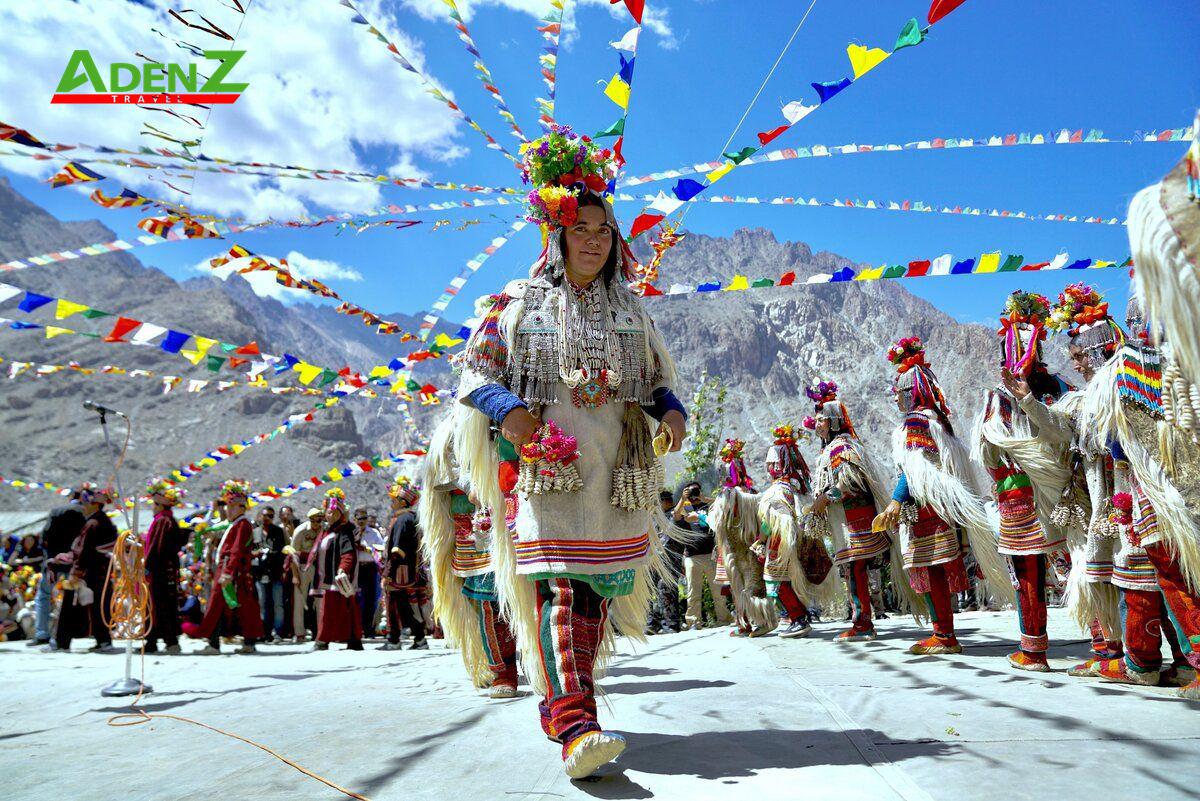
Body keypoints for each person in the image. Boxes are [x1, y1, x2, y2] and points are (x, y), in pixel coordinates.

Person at [453, 125, 686, 778]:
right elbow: (476, 375)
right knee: (560, 594)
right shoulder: (519, 304)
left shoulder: (631, 313)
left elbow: (654, 382)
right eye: (580, 227)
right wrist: (513, 411)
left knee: (594, 604)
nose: (592, 239)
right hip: (547, 472)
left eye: (602, 230)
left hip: (614, 480)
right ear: (556, 235)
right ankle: (577, 726)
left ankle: (563, 703)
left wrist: (671, 413)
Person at [876, 337, 1015, 656]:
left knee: (929, 568)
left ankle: (944, 635)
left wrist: (897, 500)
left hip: (926, 508)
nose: (896, 399)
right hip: (939, 506)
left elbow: (915, 467)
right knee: (933, 567)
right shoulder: (938, 421)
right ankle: (944, 632)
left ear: (909, 392)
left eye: (898, 392)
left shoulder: (915, 422)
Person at [973, 291, 1076, 672]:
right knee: (1076, 562)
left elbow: (987, 453)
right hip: (1061, 491)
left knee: (1028, 569)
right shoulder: (1062, 387)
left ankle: (1033, 651)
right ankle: (1106, 646)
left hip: (1018, 492)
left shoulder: (1001, 397)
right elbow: (1068, 438)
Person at [805, 380, 911, 642]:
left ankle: (862, 623)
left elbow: (849, 483)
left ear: (833, 421)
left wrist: (824, 500)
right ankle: (862, 620)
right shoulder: (836, 447)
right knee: (854, 569)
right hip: (849, 520)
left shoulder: (842, 447)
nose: (816, 425)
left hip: (855, 520)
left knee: (855, 569)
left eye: (821, 420)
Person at [754, 424, 833, 639]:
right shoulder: (799, 487)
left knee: (776, 581)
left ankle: (798, 618)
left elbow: (771, 522)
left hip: (781, 543)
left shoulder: (776, 491)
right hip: (799, 540)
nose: (768, 467)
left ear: (776, 465)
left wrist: (761, 540)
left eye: (770, 463)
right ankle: (801, 616)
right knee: (787, 582)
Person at [708, 438, 777, 636]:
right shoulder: (747, 497)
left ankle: (765, 620)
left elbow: (716, 521)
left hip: (747, 550)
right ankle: (744, 623)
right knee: (740, 588)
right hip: (736, 551)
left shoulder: (737, 497)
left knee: (751, 586)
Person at [196, 480, 263, 655]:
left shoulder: (243, 524)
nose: (228, 509)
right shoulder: (236, 524)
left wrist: (227, 572)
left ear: (242, 508)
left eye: (232, 506)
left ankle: (216, 644)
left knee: (219, 605)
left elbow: (236, 550)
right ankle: (240, 642)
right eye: (228, 505)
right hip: (229, 570)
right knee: (230, 606)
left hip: (231, 570)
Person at [52, 485, 118, 653]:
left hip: (88, 574)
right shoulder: (102, 521)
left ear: (95, 504)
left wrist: (75, 573)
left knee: (70, 606)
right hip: (99, 572)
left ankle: (61, 642)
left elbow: (84, 552)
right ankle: (103, 640)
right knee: (98, 608)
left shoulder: (93, 523)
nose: (83, 505)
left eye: (86, 502)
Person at [31, 488, 86, 646]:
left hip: (54, 562)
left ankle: (42, 633)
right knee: (77, 596)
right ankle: (79, 630)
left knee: (44, 595)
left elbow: (45, 536)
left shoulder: (57, 511)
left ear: (70, 497)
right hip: (75, 562)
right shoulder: (85, 513)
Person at [383, 477, 430, 651]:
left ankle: (394, 640)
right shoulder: (411, 518)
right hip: (410, 570)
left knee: (395, 605)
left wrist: (387, 573)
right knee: (407, 606)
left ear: (402, 502)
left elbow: (397, 550)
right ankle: (419, 639)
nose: (391, 504)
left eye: (394, 500)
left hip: (399, 572)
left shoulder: (402, 520)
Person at [314, 488, 363, 651]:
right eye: (328, 512)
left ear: (340, 514)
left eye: (334, 512)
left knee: (342, 610)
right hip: (330, 579)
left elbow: (348, 553)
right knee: (332, 610)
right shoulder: (328, 531)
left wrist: (343, 569)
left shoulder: (344, 531)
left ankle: (332, 640)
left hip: (340, 579)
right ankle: (338, 639)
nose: (330, 515)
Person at [143, 478, 189, 654]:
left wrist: (147, 566)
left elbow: (157, 547)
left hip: (159, 572)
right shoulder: (167, 520)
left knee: (158, 606)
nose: (153, 507)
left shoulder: (163, 521)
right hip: (164, 570)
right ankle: (157, 641)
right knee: (163, 606)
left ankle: (163, 641)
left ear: (161, 505)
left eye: (154, 504)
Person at [677, 482, 730, 629]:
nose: (694, 495)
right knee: (693, 592)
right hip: (692, 556)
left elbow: (725, 504)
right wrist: (683, 498)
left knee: (718, 591)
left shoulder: (708, 506)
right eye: (691, 492)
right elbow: (675, 515)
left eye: (696, 491)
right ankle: (694, 622)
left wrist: (704, 498)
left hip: (711, 555)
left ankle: (724, 619)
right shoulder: (685, 508)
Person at [646, 490, 685, 635]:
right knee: (650, 591)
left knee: (667, 591)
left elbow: (667, 541)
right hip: (653, 561)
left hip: (668, 561)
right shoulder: (655, 518)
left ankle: (671, 624)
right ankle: (652, 624)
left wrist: (657, 556)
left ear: (666, 501)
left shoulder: (673, 516)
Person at [288, 508, 323, 643]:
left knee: (319, 600)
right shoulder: (301, 531)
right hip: (303, 568)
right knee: (299, 599)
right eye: (314, 521)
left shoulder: (323, 530)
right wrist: (295, 575)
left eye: (319, 520)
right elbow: (293, 554)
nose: (317, 524)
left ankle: (320, 631)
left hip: (319, 568)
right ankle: (299, 632)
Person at [253, 506, 287, 643]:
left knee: (278, 603)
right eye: (265, 515)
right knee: (262, 603)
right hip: (260, 573)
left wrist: (271, 553)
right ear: (260, 516)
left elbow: (283, 551)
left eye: (271, 516)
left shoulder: (278, 531)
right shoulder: (254, 532)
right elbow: (250, 550)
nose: (267, 518)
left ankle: (278, 632)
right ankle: (263, 633)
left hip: (276, 573)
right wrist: (257, 553)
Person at [355, 508, 384, 638]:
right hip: (357, 569)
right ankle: (358, 628)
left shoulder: (374, 533)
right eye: (359, 519)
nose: (362, 521)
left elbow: (381, 549)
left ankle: (369, 629)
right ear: (355, 520)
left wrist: (366, 549)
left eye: (364, 519)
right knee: (358, 599)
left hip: (370, 568)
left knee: (371, 599)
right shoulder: (352, 533)